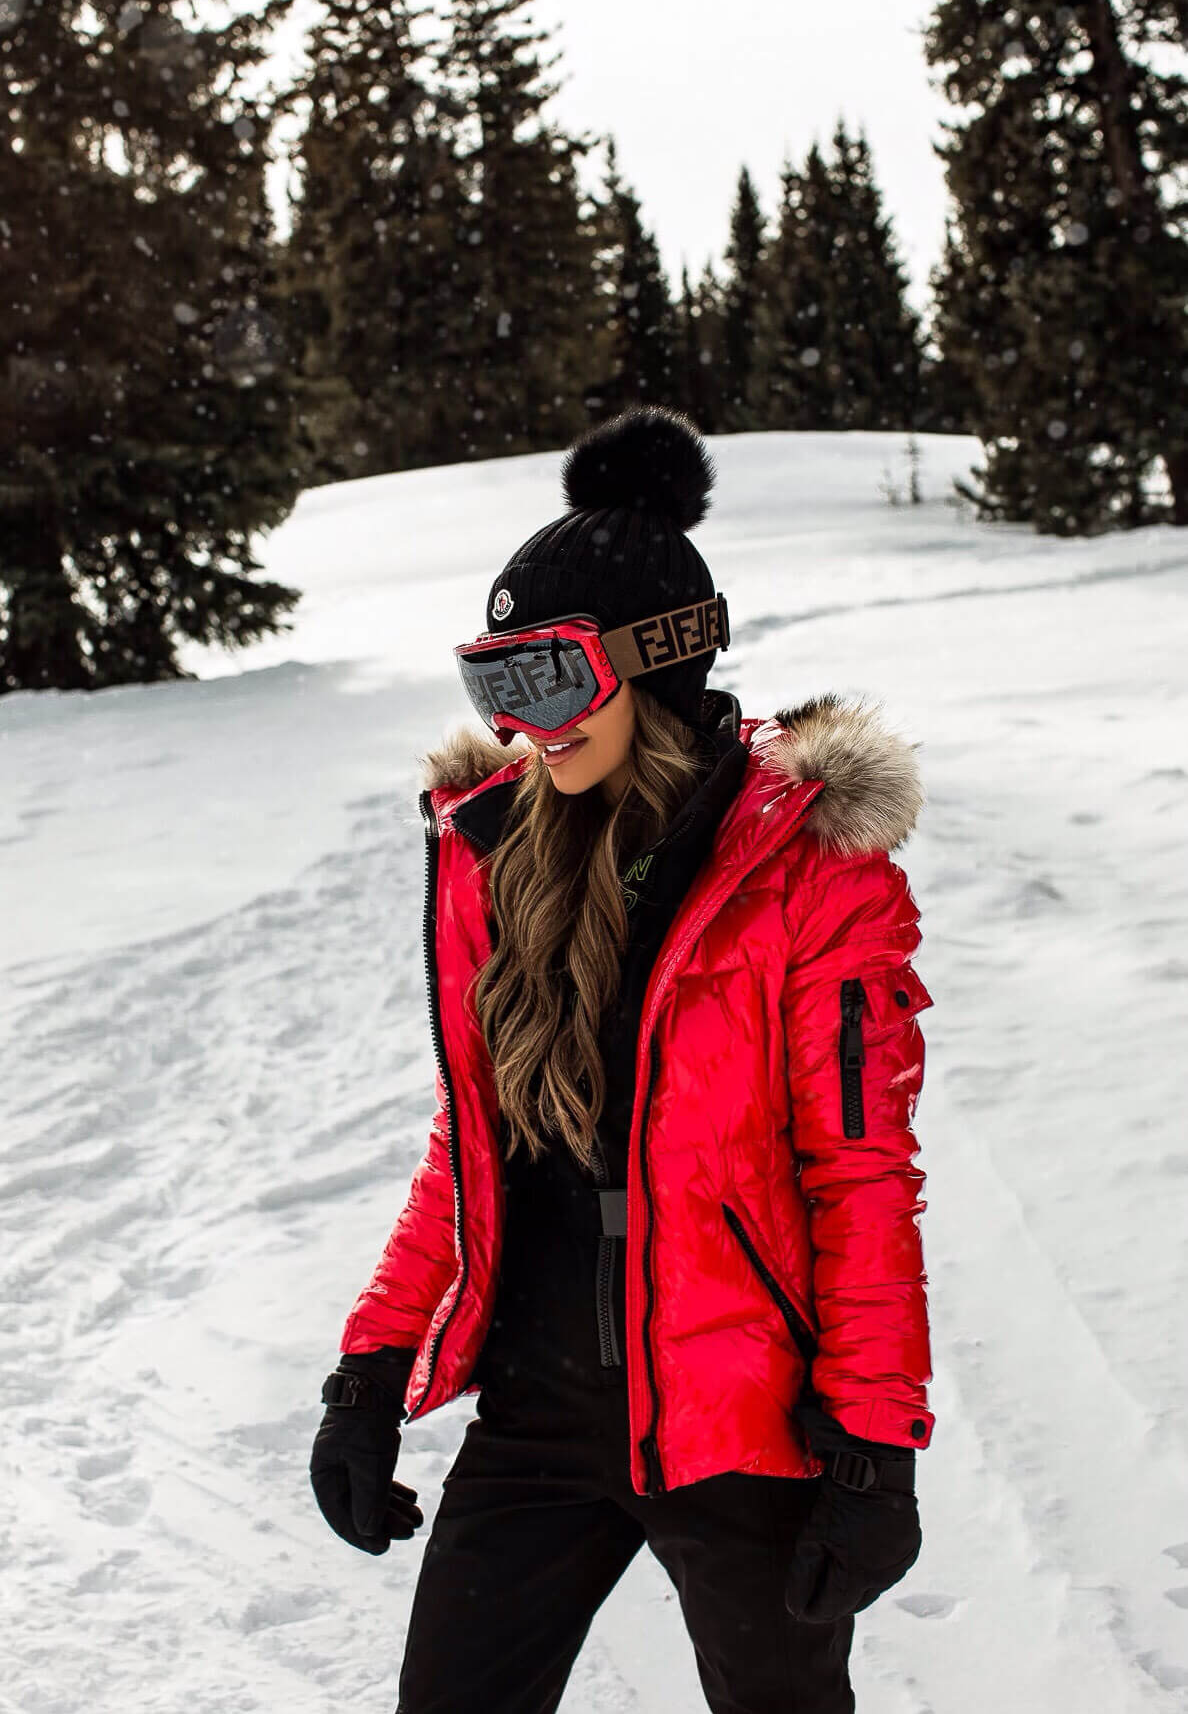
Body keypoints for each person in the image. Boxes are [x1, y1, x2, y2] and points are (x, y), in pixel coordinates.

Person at [310, 406, 935, 1714]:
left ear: (655, 661)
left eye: (547, 679)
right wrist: (371, 1367)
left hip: (735, 1415)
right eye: (495, 686)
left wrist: (875, 1444)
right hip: (540, 1407)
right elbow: (469, 1148)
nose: (523, 727)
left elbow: (859, 1176)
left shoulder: (805, 870)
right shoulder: (500, 856)